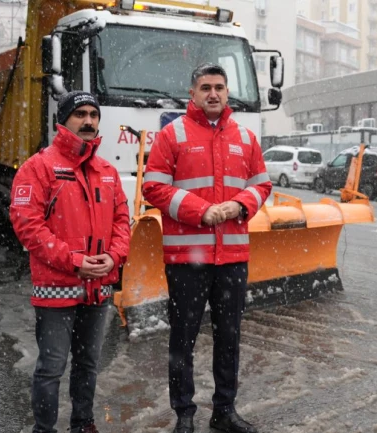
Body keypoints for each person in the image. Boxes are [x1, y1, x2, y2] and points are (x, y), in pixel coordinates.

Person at [142, 63, 272, 433]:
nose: (212, 93)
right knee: (182, 337)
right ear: (193, 93)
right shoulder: (172, 135)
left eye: (219, 87)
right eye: (205, 87)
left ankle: (224, 411)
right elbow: (153, 188)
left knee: (229, 337)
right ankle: (184, 414)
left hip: (232, 257)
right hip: (187, 259)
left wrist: (240, 205)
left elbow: (262, 185)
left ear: (227, 92)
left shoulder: (246, 138)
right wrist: (203, 211)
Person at [9, 91, 131, 433]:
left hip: (98, 287)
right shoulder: (39, 167)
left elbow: (123, 220)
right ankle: (44, 429)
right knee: (51, 366)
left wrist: (114, 256)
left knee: (88, 364)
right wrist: (74, 262)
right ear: (62, 121)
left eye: (94, 114)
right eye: (80, 114)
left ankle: (83, 424)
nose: (89, 120)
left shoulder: (107, 171)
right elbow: (28, 226)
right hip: (56, 287)